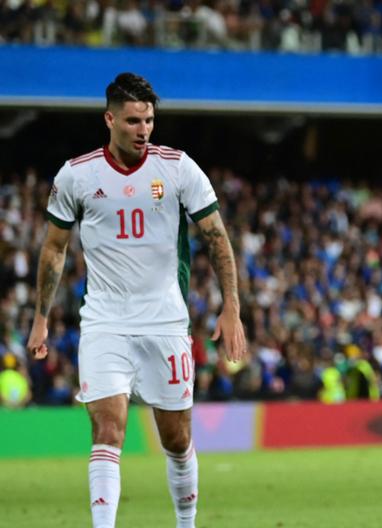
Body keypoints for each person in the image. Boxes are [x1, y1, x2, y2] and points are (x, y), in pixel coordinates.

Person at [27, 72, 246, 528]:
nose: (143, 129)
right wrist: (40, 317)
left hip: (166, 322)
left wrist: (232, 307)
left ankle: (186, 524)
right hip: (104, 320)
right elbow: (54, 247)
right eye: (132, 121)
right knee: (107, 430)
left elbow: (216, 238)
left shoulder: (179, 168)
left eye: (148, 120)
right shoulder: (77, 175)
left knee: (177, 438)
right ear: (109, 119)